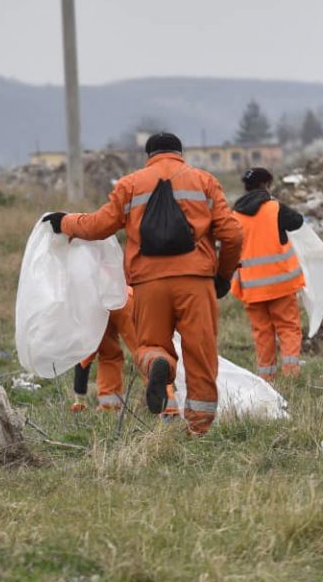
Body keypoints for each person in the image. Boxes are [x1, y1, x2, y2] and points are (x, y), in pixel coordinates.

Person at [45, 132, 242, 436]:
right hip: (196, 281)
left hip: (148, 284)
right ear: (180, 153)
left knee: (150, 345)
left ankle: (159, 365)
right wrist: (223, 277)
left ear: (149, 156)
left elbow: (98, 225)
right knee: (200, 353)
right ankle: (199, 430)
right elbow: (233, 236)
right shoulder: (204, 181)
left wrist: (65, 222)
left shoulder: (131, 184)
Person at [230, 166, 306, 379]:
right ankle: (291, 375)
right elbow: (298, 221)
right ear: (266, 185)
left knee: (262, 333)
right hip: (280, 283)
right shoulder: (274, 208)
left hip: (252, 288)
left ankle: (267, 379)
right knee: (288, 328)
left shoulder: (235, 215)